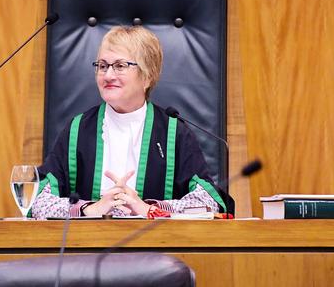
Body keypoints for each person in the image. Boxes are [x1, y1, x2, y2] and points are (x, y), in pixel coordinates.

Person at [31, 26, 234, 219]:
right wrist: (90, 208)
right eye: (102, 66)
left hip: (157, 250)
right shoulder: (77, 130)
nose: (108, 75)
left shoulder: (173, 132)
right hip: (86, 248)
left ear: (147, 76)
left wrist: (147, 208)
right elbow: (37, 201)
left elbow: (208, 203)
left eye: (120, 66)